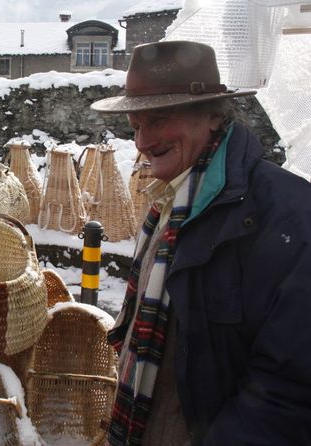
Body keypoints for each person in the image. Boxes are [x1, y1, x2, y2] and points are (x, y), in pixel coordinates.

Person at [90, 40, 311, 445]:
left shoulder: (288, 216)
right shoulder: (170, 204)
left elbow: (290, 388)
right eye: (136, 126)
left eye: (158, 120)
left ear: (212, 115)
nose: (142, 142)